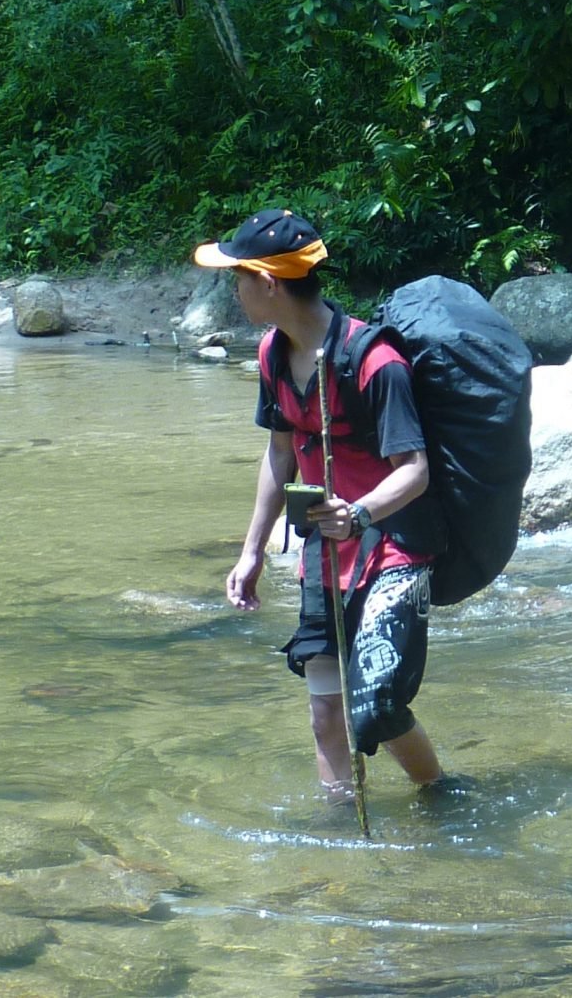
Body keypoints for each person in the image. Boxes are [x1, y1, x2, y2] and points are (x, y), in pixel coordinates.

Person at [202, 209, 446, 797]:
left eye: (238, 277)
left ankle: (442, 795)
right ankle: (335, 829)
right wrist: (252, 550)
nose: (233, 289)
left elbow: (415, 472)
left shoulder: (374, 362)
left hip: (392, 551)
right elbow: (279, 453)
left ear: (268, 282)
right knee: (325, 714)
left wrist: (359, 514)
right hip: (321, 557)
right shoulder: (270, 356)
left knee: (379, 706)